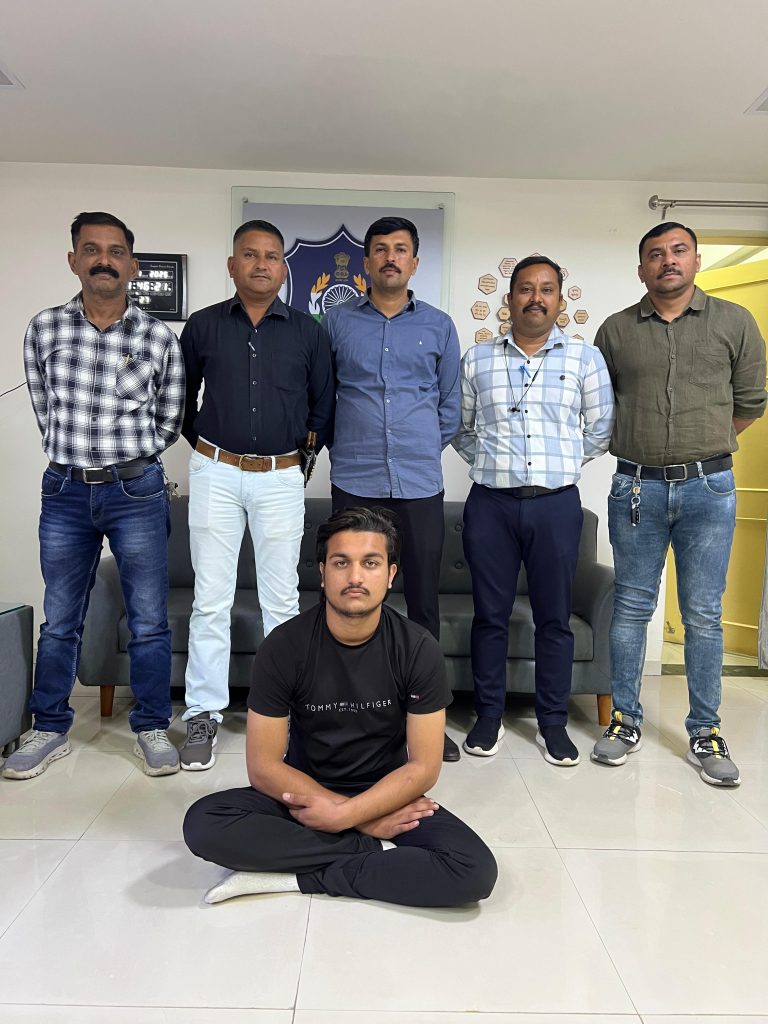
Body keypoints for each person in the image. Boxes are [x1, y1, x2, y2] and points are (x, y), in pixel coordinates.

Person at [183, 506, 497, 907]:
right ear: (323, 572)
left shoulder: (418, 649)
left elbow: (423, 767)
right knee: (204, 824)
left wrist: (350, 814)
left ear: (391, 574)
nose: (355, 577)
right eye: (341, 562)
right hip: (303, 794)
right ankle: (375, 852)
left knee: (473, 870)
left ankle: (298, 878)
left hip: (385, 794)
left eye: (371, 563)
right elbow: (263, 767)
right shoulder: (284, 646)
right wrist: (363, 822)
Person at [3, 211, 185, 781]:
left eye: (115, 251)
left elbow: (171, 419)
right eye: (91, 249)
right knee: (61, 617)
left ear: (133, 265)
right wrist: (77, 455)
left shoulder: (158, 337)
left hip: (137, 490)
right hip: (64, 489)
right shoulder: (45, 329)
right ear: (74, 260)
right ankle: (49, 727)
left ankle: (151, 726)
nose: (104, 259)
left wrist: (128, 459)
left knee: (149, 618)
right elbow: (44, 407)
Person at [591, 222, 767, 785]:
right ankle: (624, 721)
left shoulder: (735, 322)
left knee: (703, 615)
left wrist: (703, 444)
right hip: (635, 488)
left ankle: (705, 731)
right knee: (631, 608)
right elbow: (599, 405)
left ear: (695, 260)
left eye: (678, 251)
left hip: (708, 489)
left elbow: (750, 402)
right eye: (655, 254)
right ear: (641, 268)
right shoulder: (615, 330)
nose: (668, 260)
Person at [178, 220, 334, 772]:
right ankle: (203, 713)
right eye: (250, 254)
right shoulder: (202, 326)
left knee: (282, 602)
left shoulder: (309, 331)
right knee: (210, 600)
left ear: (283, 268)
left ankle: (282, 713)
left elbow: (323, 405)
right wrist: (208, 450)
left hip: (280, 475)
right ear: (232, 264)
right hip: (215, 472)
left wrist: (297, 465)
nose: (261, 264)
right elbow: (181, 399)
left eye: (271, 256)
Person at [453, 255, 614, 765]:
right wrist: (492, 463)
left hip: (556, 506)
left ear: (559, 300)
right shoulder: (477, 359)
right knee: (490, 617)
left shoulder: (585, 359)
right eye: (526, 288)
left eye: (546, 289)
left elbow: (601, 428)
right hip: (491, 506)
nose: (536, 298)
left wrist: (560, 463)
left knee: (554, 619)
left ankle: (552, 722)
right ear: (510, 299)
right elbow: (460, 427)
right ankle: (488, 716)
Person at [322, 215, 463, 762]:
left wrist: (420, 444)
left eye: (400, 249)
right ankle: (352, 719)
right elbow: (323, 396)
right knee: (351, 601)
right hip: (355, 482)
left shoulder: (439, 326)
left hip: (419, 483)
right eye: (380, 249)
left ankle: (425, 723)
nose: (390, 258)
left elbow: (449, 406)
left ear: (414, 262)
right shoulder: (337, 323)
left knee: (422, 604)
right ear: (366, 262)